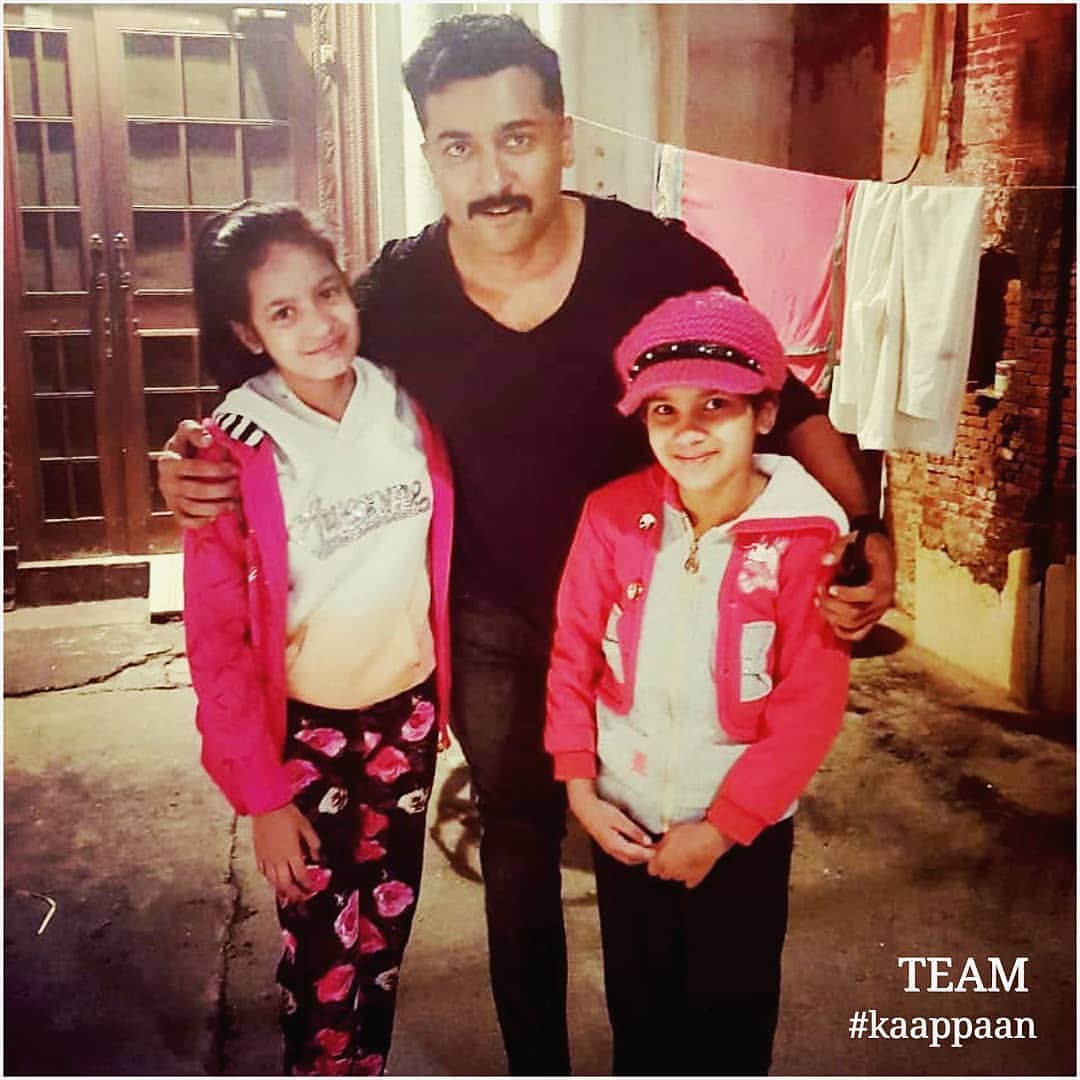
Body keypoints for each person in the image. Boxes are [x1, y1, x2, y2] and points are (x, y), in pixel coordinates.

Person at [158, 15, 893, 1074]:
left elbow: (783, 392)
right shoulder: (393, 296)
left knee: (654, 820)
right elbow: (276, 383)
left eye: (517, 138)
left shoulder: (656, 259)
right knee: (516, 841)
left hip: (652, 609)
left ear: (563, 135)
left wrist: (864, 527)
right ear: (429, 154)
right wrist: (187, 460)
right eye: (459, 146)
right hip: (490, 619)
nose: (493, 175)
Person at [545, 287, 851, 1075]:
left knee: (729, 1027)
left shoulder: (807, 538)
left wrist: (721, 829)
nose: (687, 431)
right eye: (664, 410)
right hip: (624, 819)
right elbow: (572, 653)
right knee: (640, 1021)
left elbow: (810, 705)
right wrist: (581, 790)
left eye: (715, 404)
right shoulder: (610, 517)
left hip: (742, 835)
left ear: (764, 412)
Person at [182, 201, 453, 1076]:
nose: (319, 323)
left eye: (328, 293)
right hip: (304, 735)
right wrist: (262, 797)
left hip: (408, 717)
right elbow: (216, 640)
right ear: (247, 333)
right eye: (284, 311)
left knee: (385, 937)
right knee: (323, 951)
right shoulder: (232, 447)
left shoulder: (406, 403)